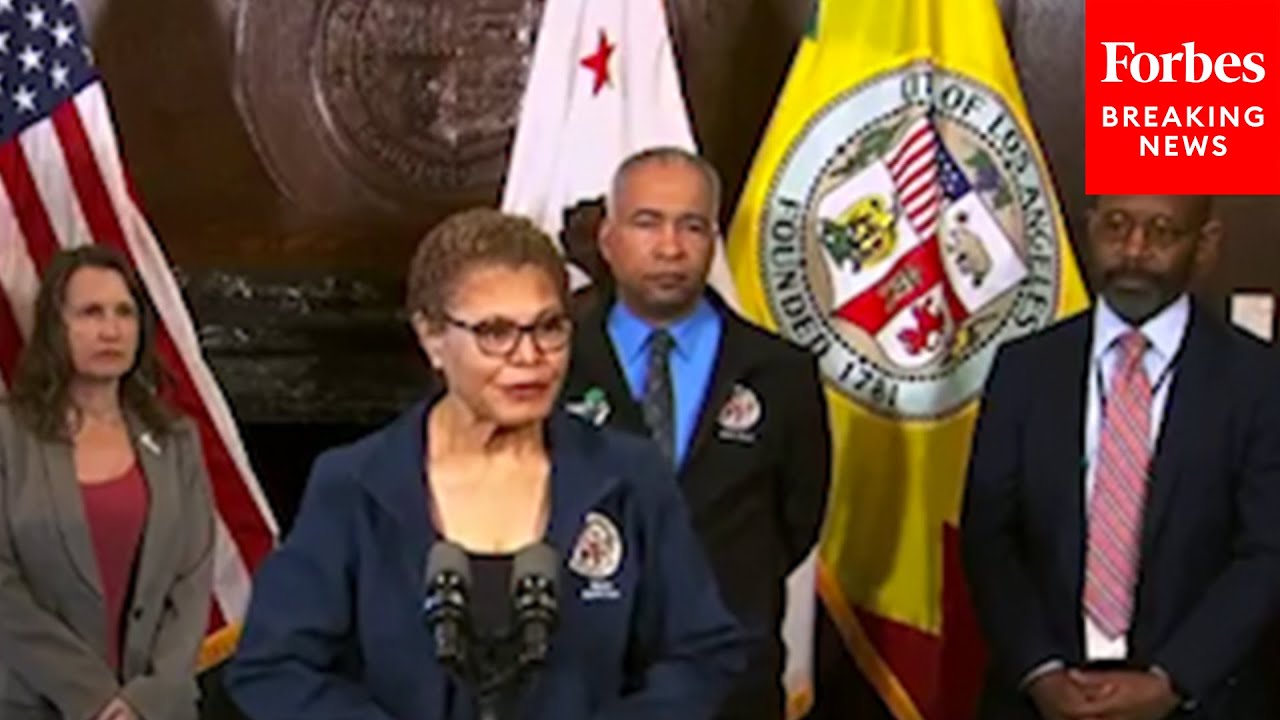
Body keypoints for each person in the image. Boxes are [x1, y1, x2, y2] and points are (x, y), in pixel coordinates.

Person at [226, 208, 744, 719]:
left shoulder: (628, 477)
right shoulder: (354, 484)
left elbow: (702, 653)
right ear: (432, 337)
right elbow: (273, 666)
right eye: (495, 332)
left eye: (548, 327)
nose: (529, 356)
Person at [962, 194, 1280, 719]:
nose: (1134, 250)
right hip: (1038, 703)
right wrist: (1041, 672)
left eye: (1161, 232)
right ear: (1089, 229)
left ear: (1205, 245)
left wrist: (1172, 681)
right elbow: (990, 535)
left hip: (1202, 701)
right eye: (1116, 226)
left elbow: (1267, 553)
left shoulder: (1258, 383)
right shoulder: (1024, 368)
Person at [562, 147, 831, 720]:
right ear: (608, 239)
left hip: (732, 682)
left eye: (692, 226)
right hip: (586, 683)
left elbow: (797, 520)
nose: (670, 248)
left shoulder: (780, 371)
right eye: (647, 222)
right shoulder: (554, 366)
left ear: (714, 240)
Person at [0, 245, 215, 720]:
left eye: (125, 312)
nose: (111, 330)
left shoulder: (176, 440)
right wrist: (94, 698)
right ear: (57, 327)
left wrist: (145, 700)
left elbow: (192, 582)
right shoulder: (9, 438)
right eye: (90, 313)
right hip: (37, 704)